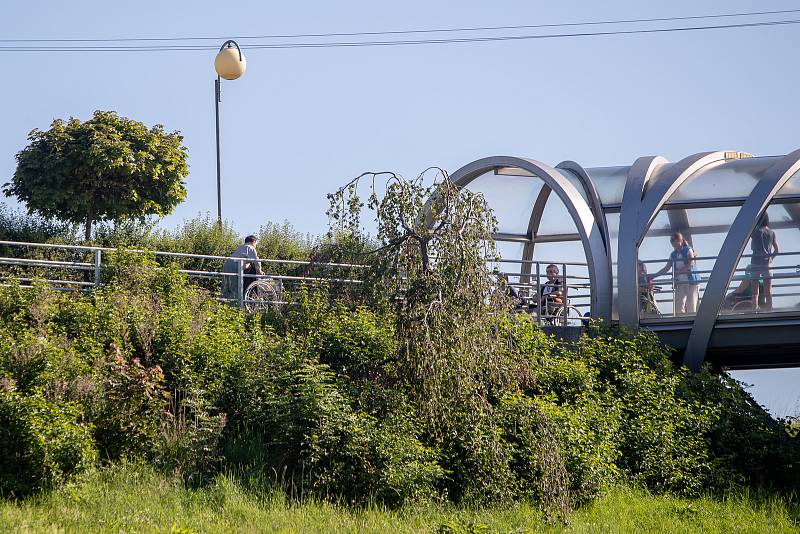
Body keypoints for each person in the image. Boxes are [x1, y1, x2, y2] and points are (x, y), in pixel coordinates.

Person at [650, 232, 700, 315]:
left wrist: (679, 272)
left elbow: (691, 263)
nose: (672, 242)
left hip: (692, 282)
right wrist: (654, 276)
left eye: (673, 240)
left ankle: (691, 324)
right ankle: (682, 324)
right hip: (680, 282)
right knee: (678, 307)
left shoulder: (688, 249)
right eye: (671, 241)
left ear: (679, 240)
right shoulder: (673, 254)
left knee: (691, 306)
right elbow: (666, 268)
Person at [749, 214, 779, 311]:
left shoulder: (755, 232)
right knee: (768, 291)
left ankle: (754, 311)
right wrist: (771, 259)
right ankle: (769, 310)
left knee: (754, 292)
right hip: (767, 264)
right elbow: (777, 250)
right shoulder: (771, 232)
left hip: (755, 262)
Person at [222, 235, 264, 301]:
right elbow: (256, 261)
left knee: (226, 285)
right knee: (235, 286)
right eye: (256, 243)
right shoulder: (251, 248)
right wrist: (260, 271)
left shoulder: (240, 247)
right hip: (235, 265)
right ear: (254, 241)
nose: (256, 245)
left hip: (227, 264)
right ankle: (236, 305)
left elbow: (246, 262)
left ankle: (224, 302)